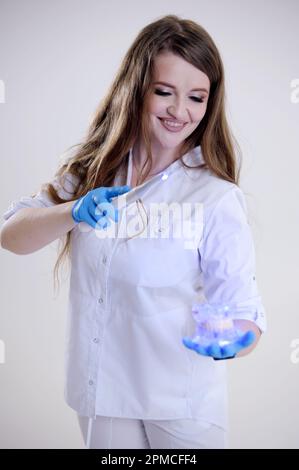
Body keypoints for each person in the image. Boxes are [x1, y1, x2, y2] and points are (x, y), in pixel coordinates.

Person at [0, 14, 266, 449]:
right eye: (164, 92)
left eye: (197, 98)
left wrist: (232, 341)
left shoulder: (214, 197)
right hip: (100, 393)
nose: (181, 112)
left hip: (180, 405)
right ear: (136, 89)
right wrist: (73, 211)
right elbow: (10, 234)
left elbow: (245, 310)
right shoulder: (91, 172)